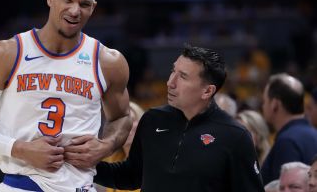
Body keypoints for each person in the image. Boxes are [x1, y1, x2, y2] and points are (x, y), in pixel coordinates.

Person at [0, 0, 132, 192]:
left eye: (84, 4)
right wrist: (19, 148)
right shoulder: (8, 53)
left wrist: (105, 146)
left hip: (82, 186)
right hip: (22, 185)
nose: (75, 10)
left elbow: (122, 117)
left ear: (93, 8)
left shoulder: (109, 61)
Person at [94, 44, 265, 191]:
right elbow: (131, 175)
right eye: (173, 71)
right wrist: (87, 165)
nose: (170, 82)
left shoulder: (235, 136)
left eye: (183, 76)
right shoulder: (152, 119)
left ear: (207, 91)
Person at [261, 73, 317, 185]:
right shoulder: (314, 133)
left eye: (264, 101)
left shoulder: (287, 142)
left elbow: (287, 187)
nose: (262, 106)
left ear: (274, 104)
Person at [95, 101, 145, 192]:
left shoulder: (151, 162)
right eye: (121, 124)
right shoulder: (111, 162)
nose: (127, 126)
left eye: (132, 120)